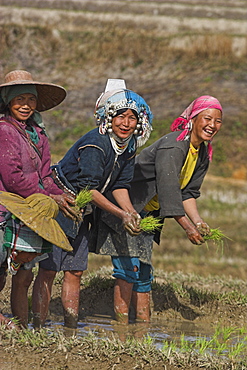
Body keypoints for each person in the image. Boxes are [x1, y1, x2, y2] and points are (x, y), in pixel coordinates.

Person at [91, 95, 223, 324]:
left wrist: (199, 222)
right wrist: (187, 227)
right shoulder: (174, 145)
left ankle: (142, 327)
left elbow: (188, 193)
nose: (212, 125)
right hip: (128, 207)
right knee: (128, 269)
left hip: (148, 215)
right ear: (193, 118)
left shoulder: (201, 152)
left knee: (143, 272)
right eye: (207, 118)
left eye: (218, 121)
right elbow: (168, 189)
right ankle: (122, 328)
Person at [32, 79, 153, 328]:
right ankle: (38, 325)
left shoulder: (128, 146)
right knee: (49, 268)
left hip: (84, 210)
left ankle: (70, 326)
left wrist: (131, 212)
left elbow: (120, 185)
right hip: (62, 203)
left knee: (75, 270)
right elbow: (89, 187)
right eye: (120, 117)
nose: (126, 123)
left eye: (132, 118)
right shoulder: (95, 144)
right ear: (108, 118)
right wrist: (121, 214)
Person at [0, 70, 77, 327]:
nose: (25, 105)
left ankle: (22, 326)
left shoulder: (38, 134)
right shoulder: (5, 131)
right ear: (8, 101)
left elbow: (45, 173)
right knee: (2, 269)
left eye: (30, 100)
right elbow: (13, 178)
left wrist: (59, 195)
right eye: (19, 99)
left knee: (24, 274)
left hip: (31, 210)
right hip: (7, 208)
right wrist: (48, 197)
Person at [0, 192, 73, 329]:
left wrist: (21, 328)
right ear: (20, 247)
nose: (31, 260)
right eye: (30, 255)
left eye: (36, 255)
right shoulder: (2, 243)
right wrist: (4, 320)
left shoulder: (27, 249)